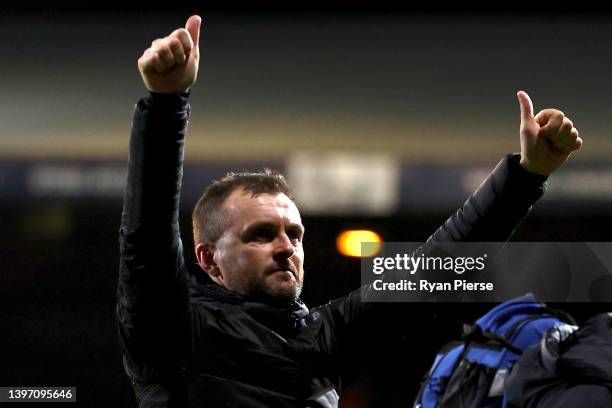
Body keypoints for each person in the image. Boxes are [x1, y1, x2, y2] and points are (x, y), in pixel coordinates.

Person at [116, 15, 583, 407]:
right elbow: (146, 239)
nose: (286, 247)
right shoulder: (175, 332)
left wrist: (525, 175)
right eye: (261, 234)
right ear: (208, 260)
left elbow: (434, 268)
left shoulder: (323, 335)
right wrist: (167, 102)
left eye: (294, 234)